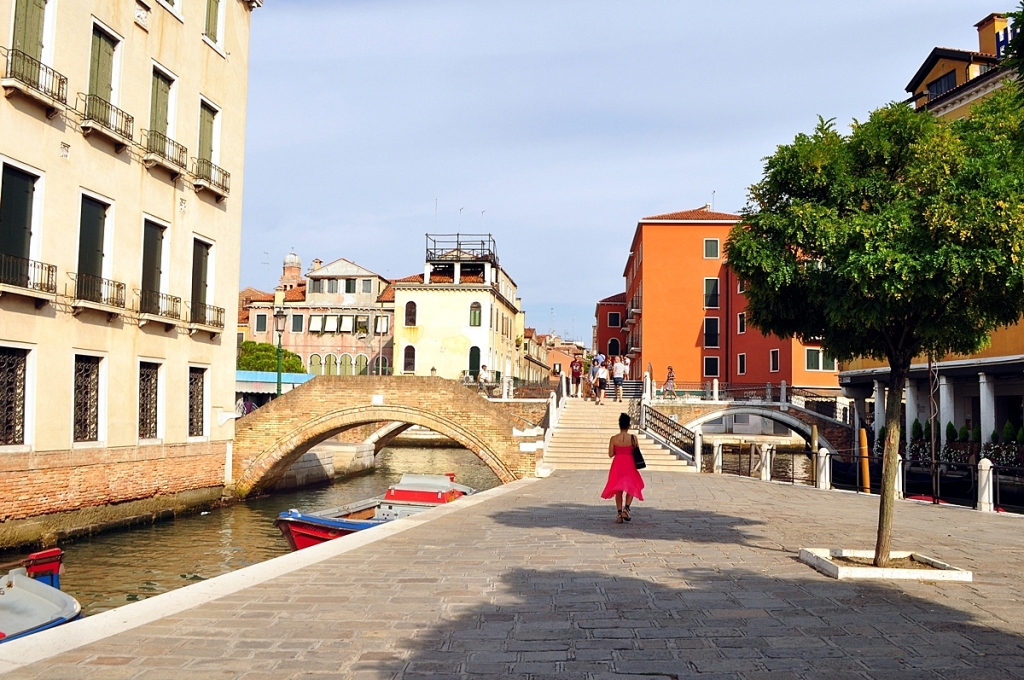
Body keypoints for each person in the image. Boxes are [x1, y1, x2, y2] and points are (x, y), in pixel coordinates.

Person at [602, 412, 645, 523]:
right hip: (630, 463)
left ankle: (619, 513)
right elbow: (636, 450)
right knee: (632, 485)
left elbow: (611, 454)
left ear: (619, 425)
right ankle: (626, 508)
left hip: (617, 464)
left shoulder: (613, 438)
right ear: (629, 425)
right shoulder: (633, 438)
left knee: (618, 489)